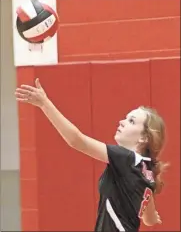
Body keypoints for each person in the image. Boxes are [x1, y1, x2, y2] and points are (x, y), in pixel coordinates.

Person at [15, 78, 168, 232]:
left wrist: (44, 104)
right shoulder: (147, 170)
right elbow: (149, 218)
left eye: (131, 121)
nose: (122, 122)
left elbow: (77, 140)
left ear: (144, 138)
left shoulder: (126, 158)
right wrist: (152, 215)